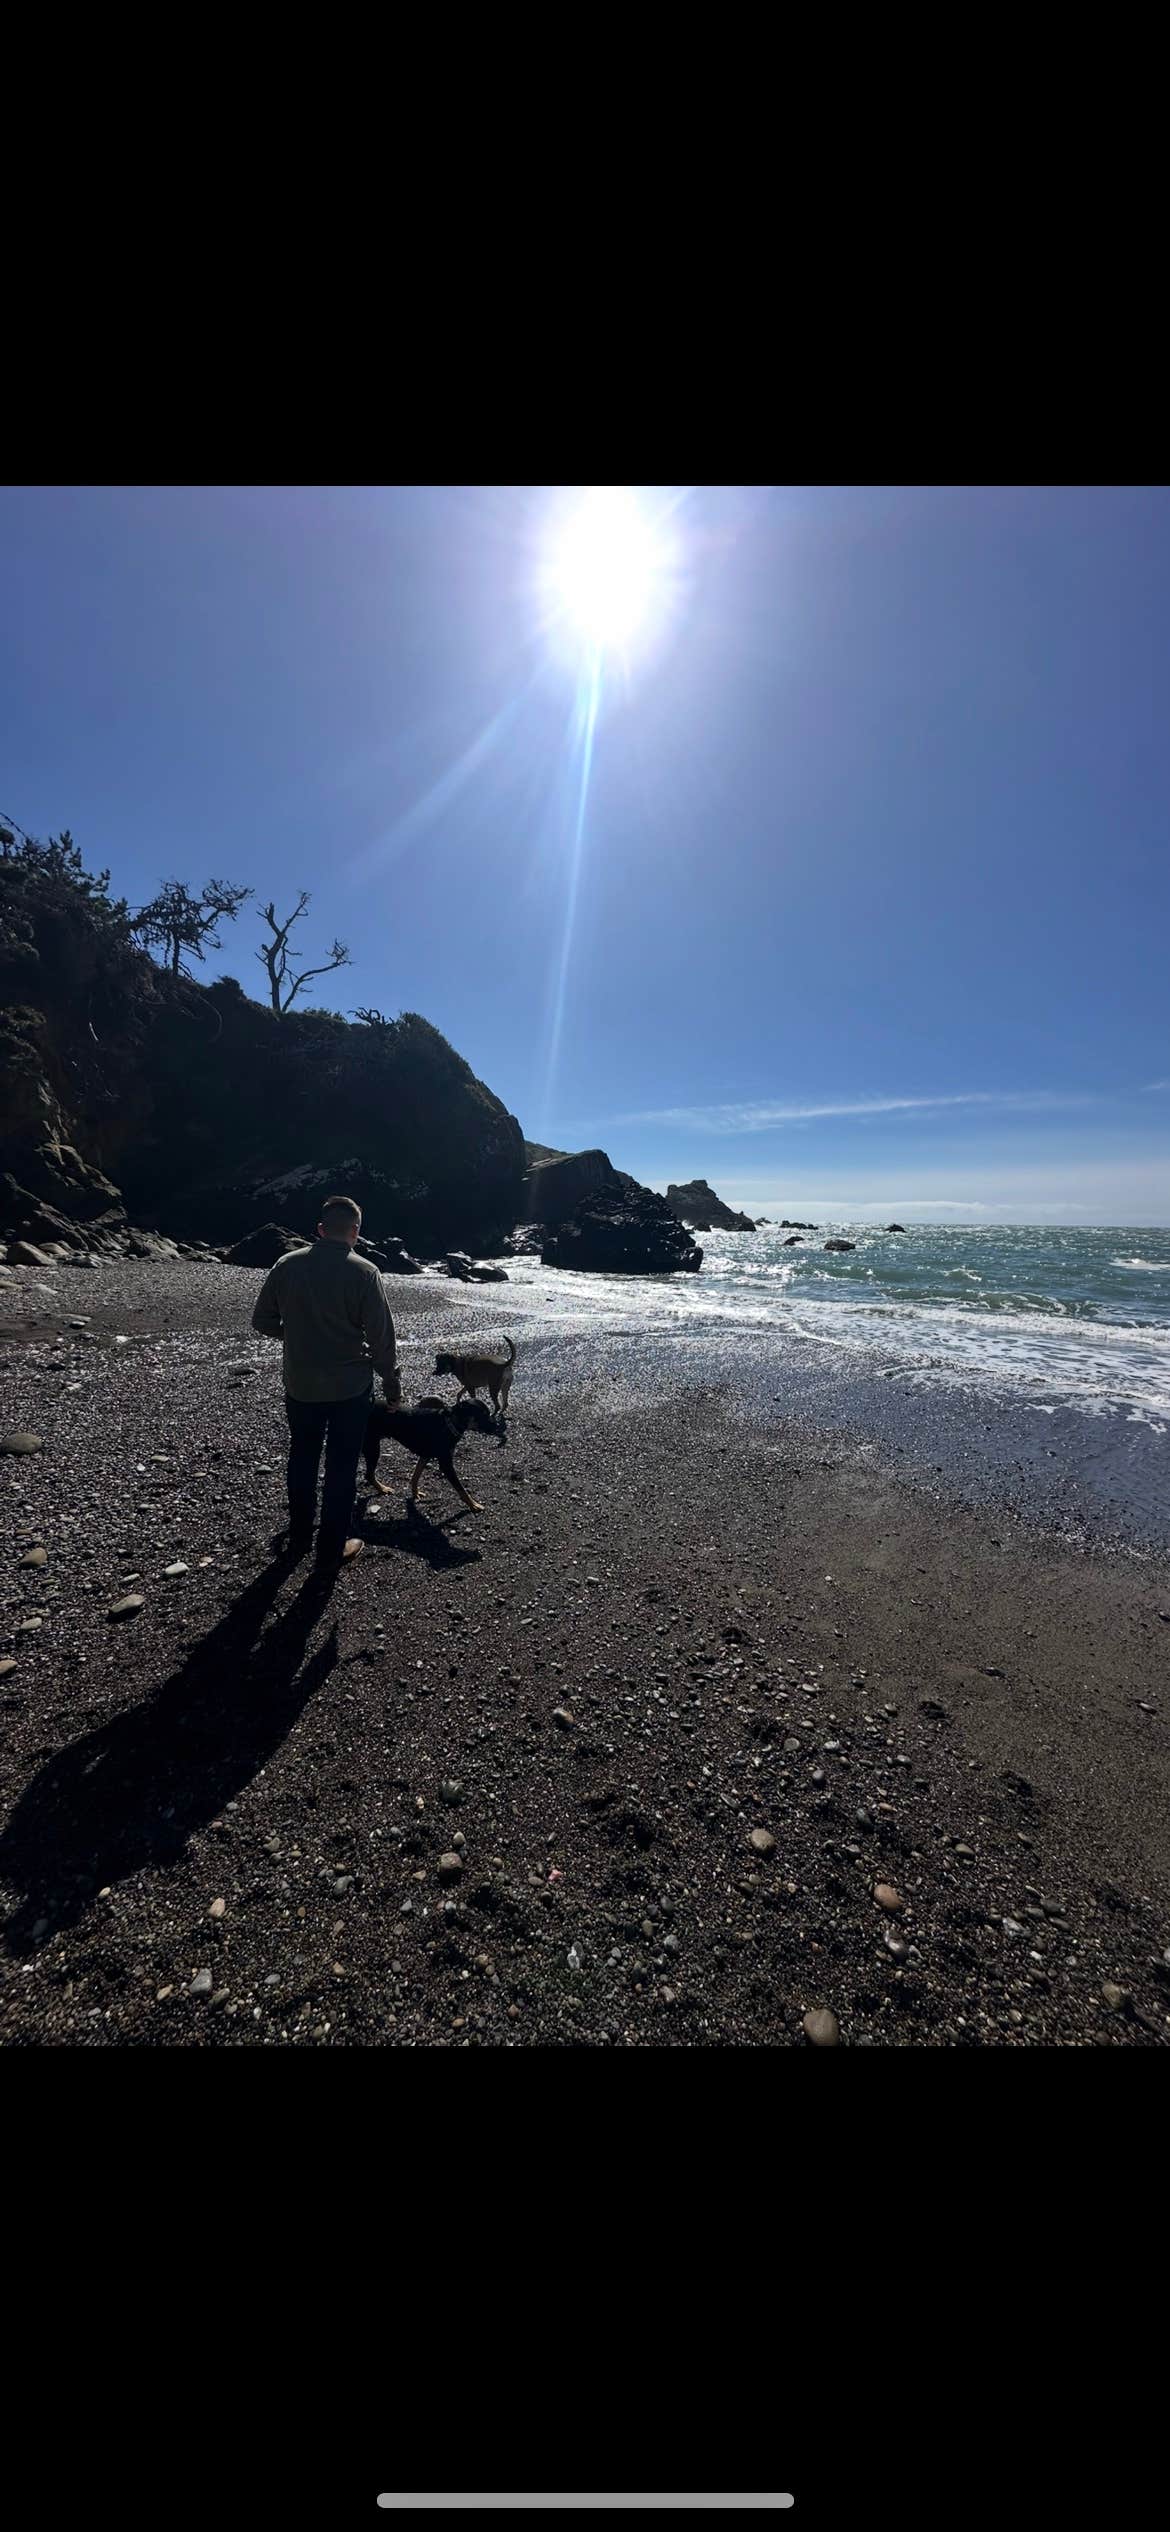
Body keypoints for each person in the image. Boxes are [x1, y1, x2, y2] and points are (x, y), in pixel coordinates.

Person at [251, 1195, 401, 1567]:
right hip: (350, 1388)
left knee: (302, 1456)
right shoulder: (364, 1271)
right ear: (355, 1231)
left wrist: (298, 1334)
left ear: (320, 1230)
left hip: (300, 1385)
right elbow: (382, 1338)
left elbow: (262, 1321)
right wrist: (391, 1384)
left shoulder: (287, 1265)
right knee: (341, 1464)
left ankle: (300, 1534)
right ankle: (332, 1547)